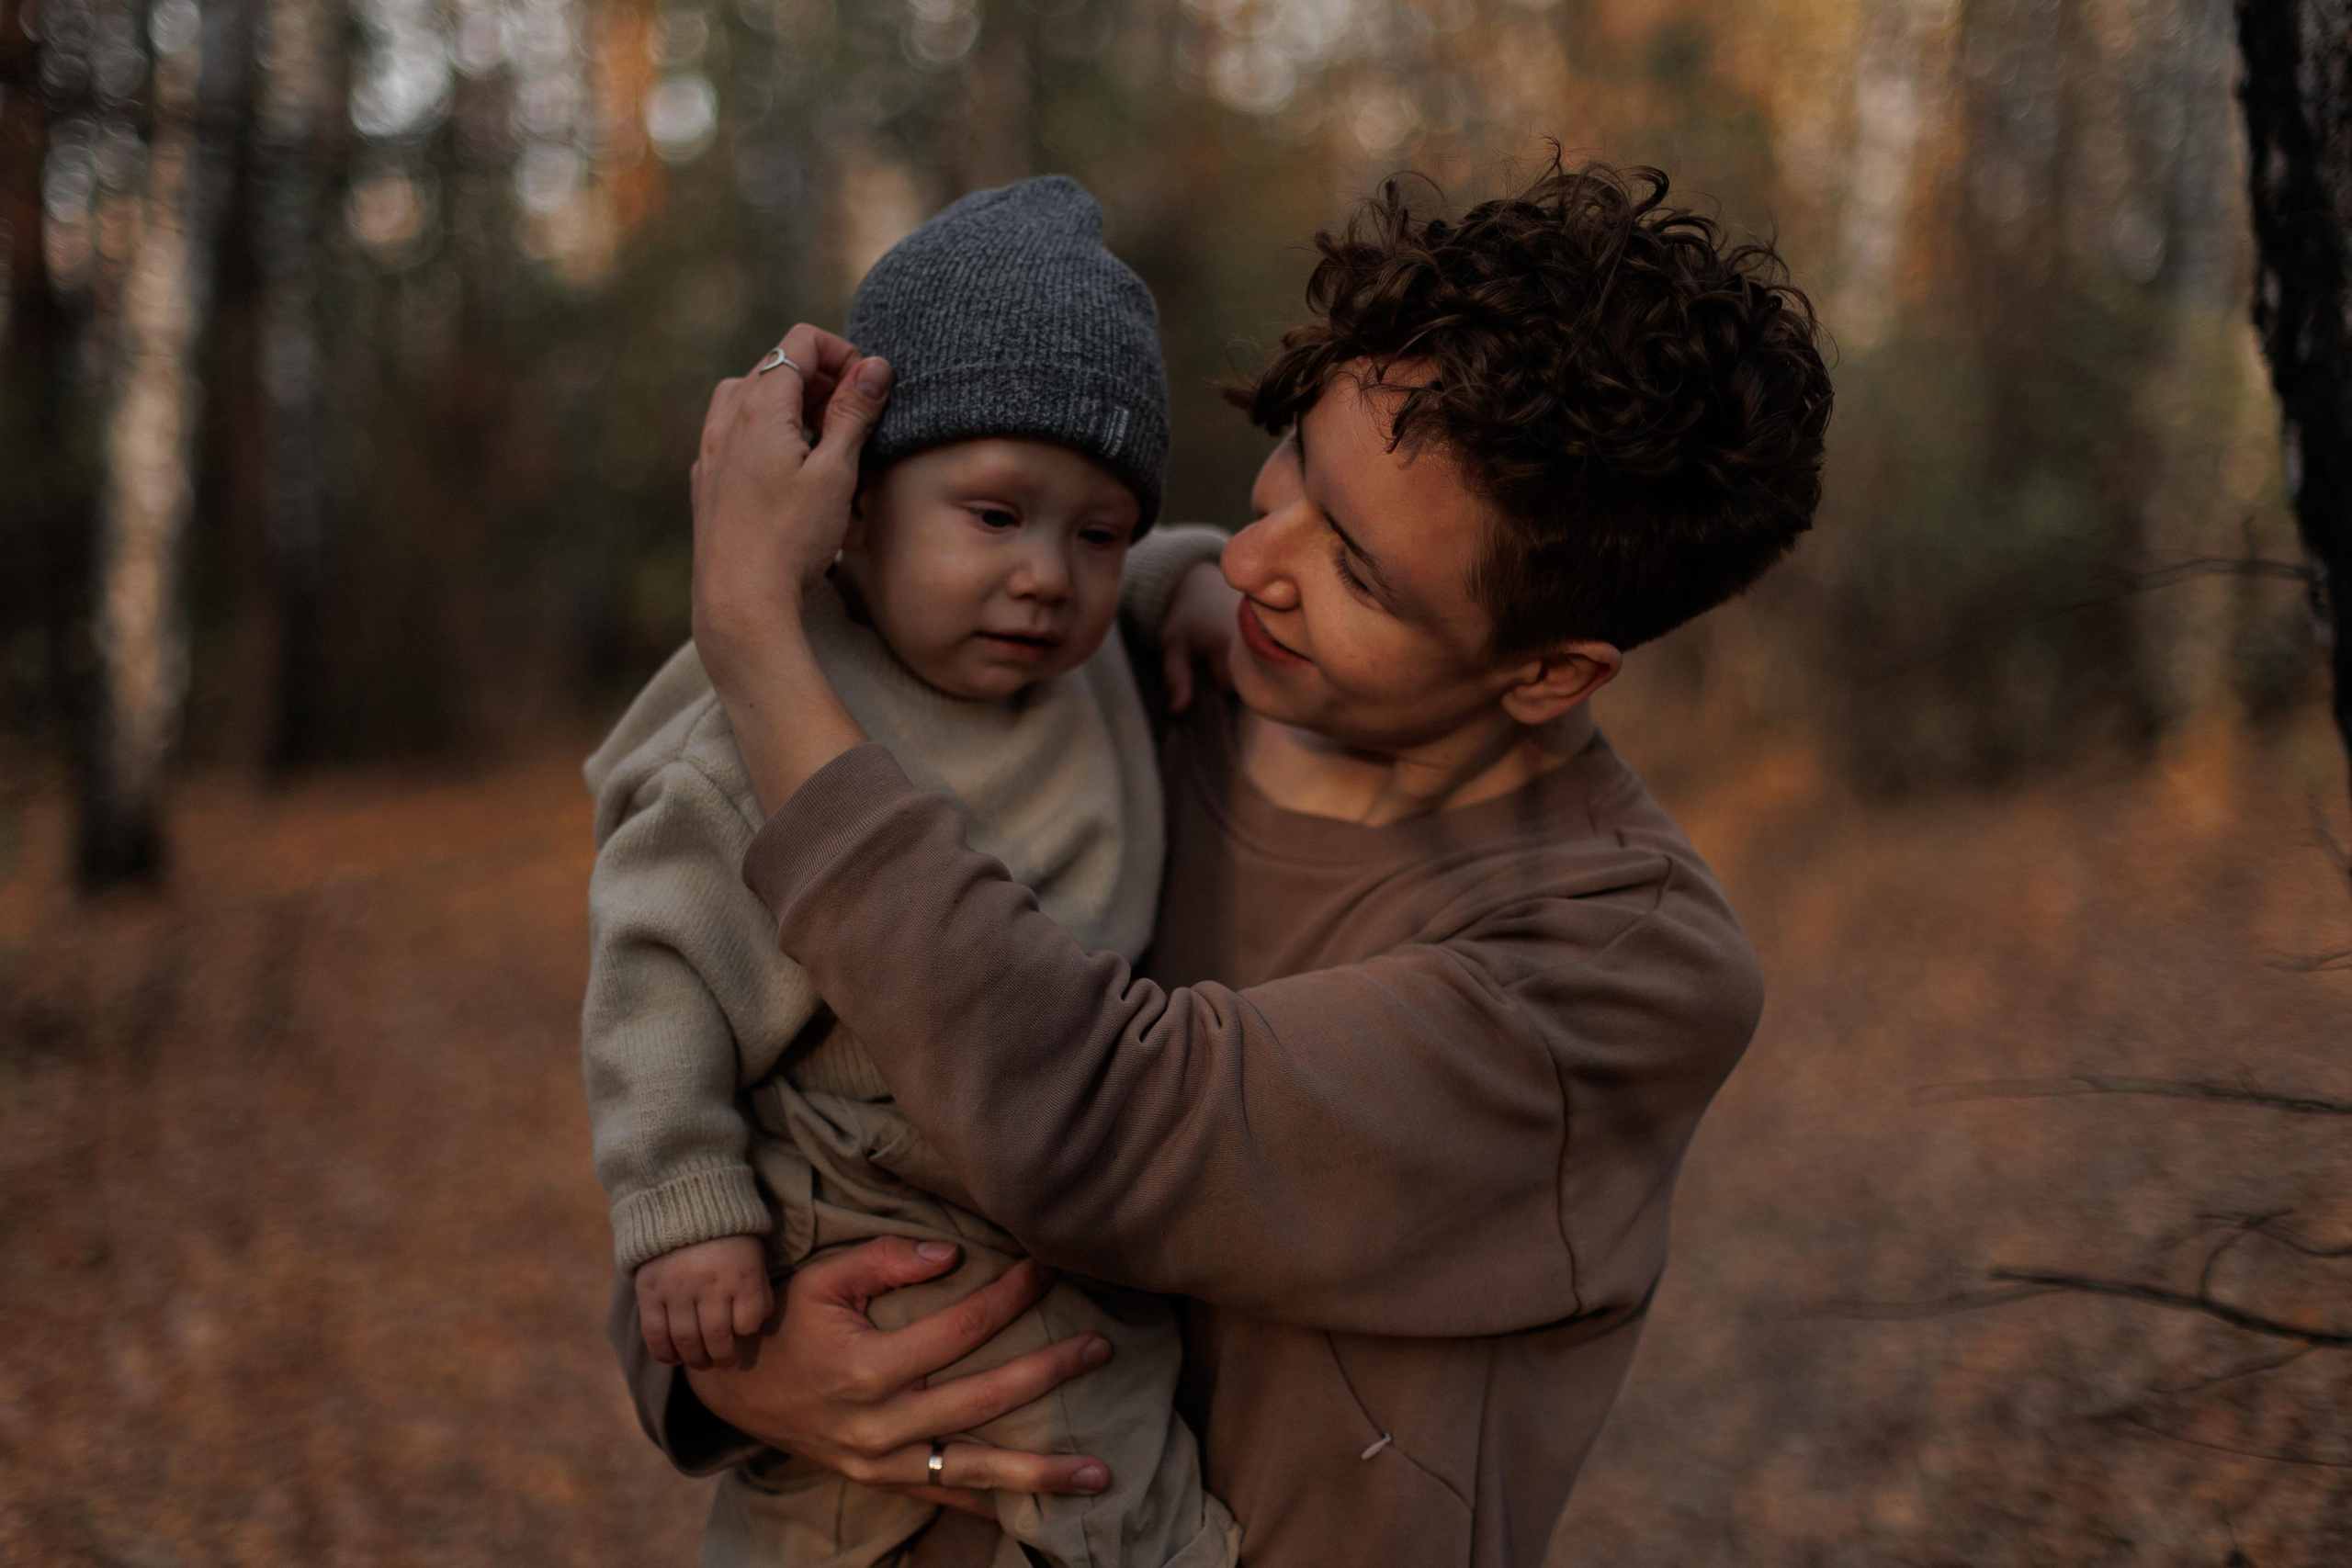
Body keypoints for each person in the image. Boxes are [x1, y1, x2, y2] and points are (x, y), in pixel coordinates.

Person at [631, 155, 1835, 1567]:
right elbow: (733, 1045)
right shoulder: (1105, 676)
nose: (1259, 557)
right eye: (1294, 468)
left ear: (1551, 671)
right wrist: (724, 1359)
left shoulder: (1614, 969)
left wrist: (760, 648)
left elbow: (1097, 1125)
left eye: (1360, 574)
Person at [580, 175, 1241, 1567]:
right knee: (860, 1502)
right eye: (994, 516)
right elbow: (654, 962)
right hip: (852, 1201)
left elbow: (1140, 587)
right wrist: (681, 1211)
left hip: (1058, 1198)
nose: (1049, 576)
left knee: (1118, 1469)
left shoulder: (1095, 665)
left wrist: (1194, 584)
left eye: (1098, 530)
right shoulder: (776, 709)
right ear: (857, 515)